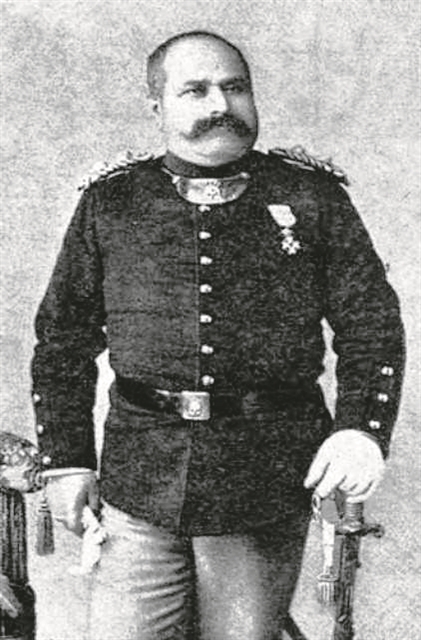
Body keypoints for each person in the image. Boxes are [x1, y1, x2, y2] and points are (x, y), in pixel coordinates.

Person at [31, 30, 405, 640]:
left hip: (264, 478)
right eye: (196, 90)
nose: (220, 106)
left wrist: (361, 429)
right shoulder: (111, 203)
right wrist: (67, 461)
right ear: (157, 106)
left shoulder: (311, 197)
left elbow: (372, 326)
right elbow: (62, 341)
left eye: (235, 88)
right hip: (138, 477)